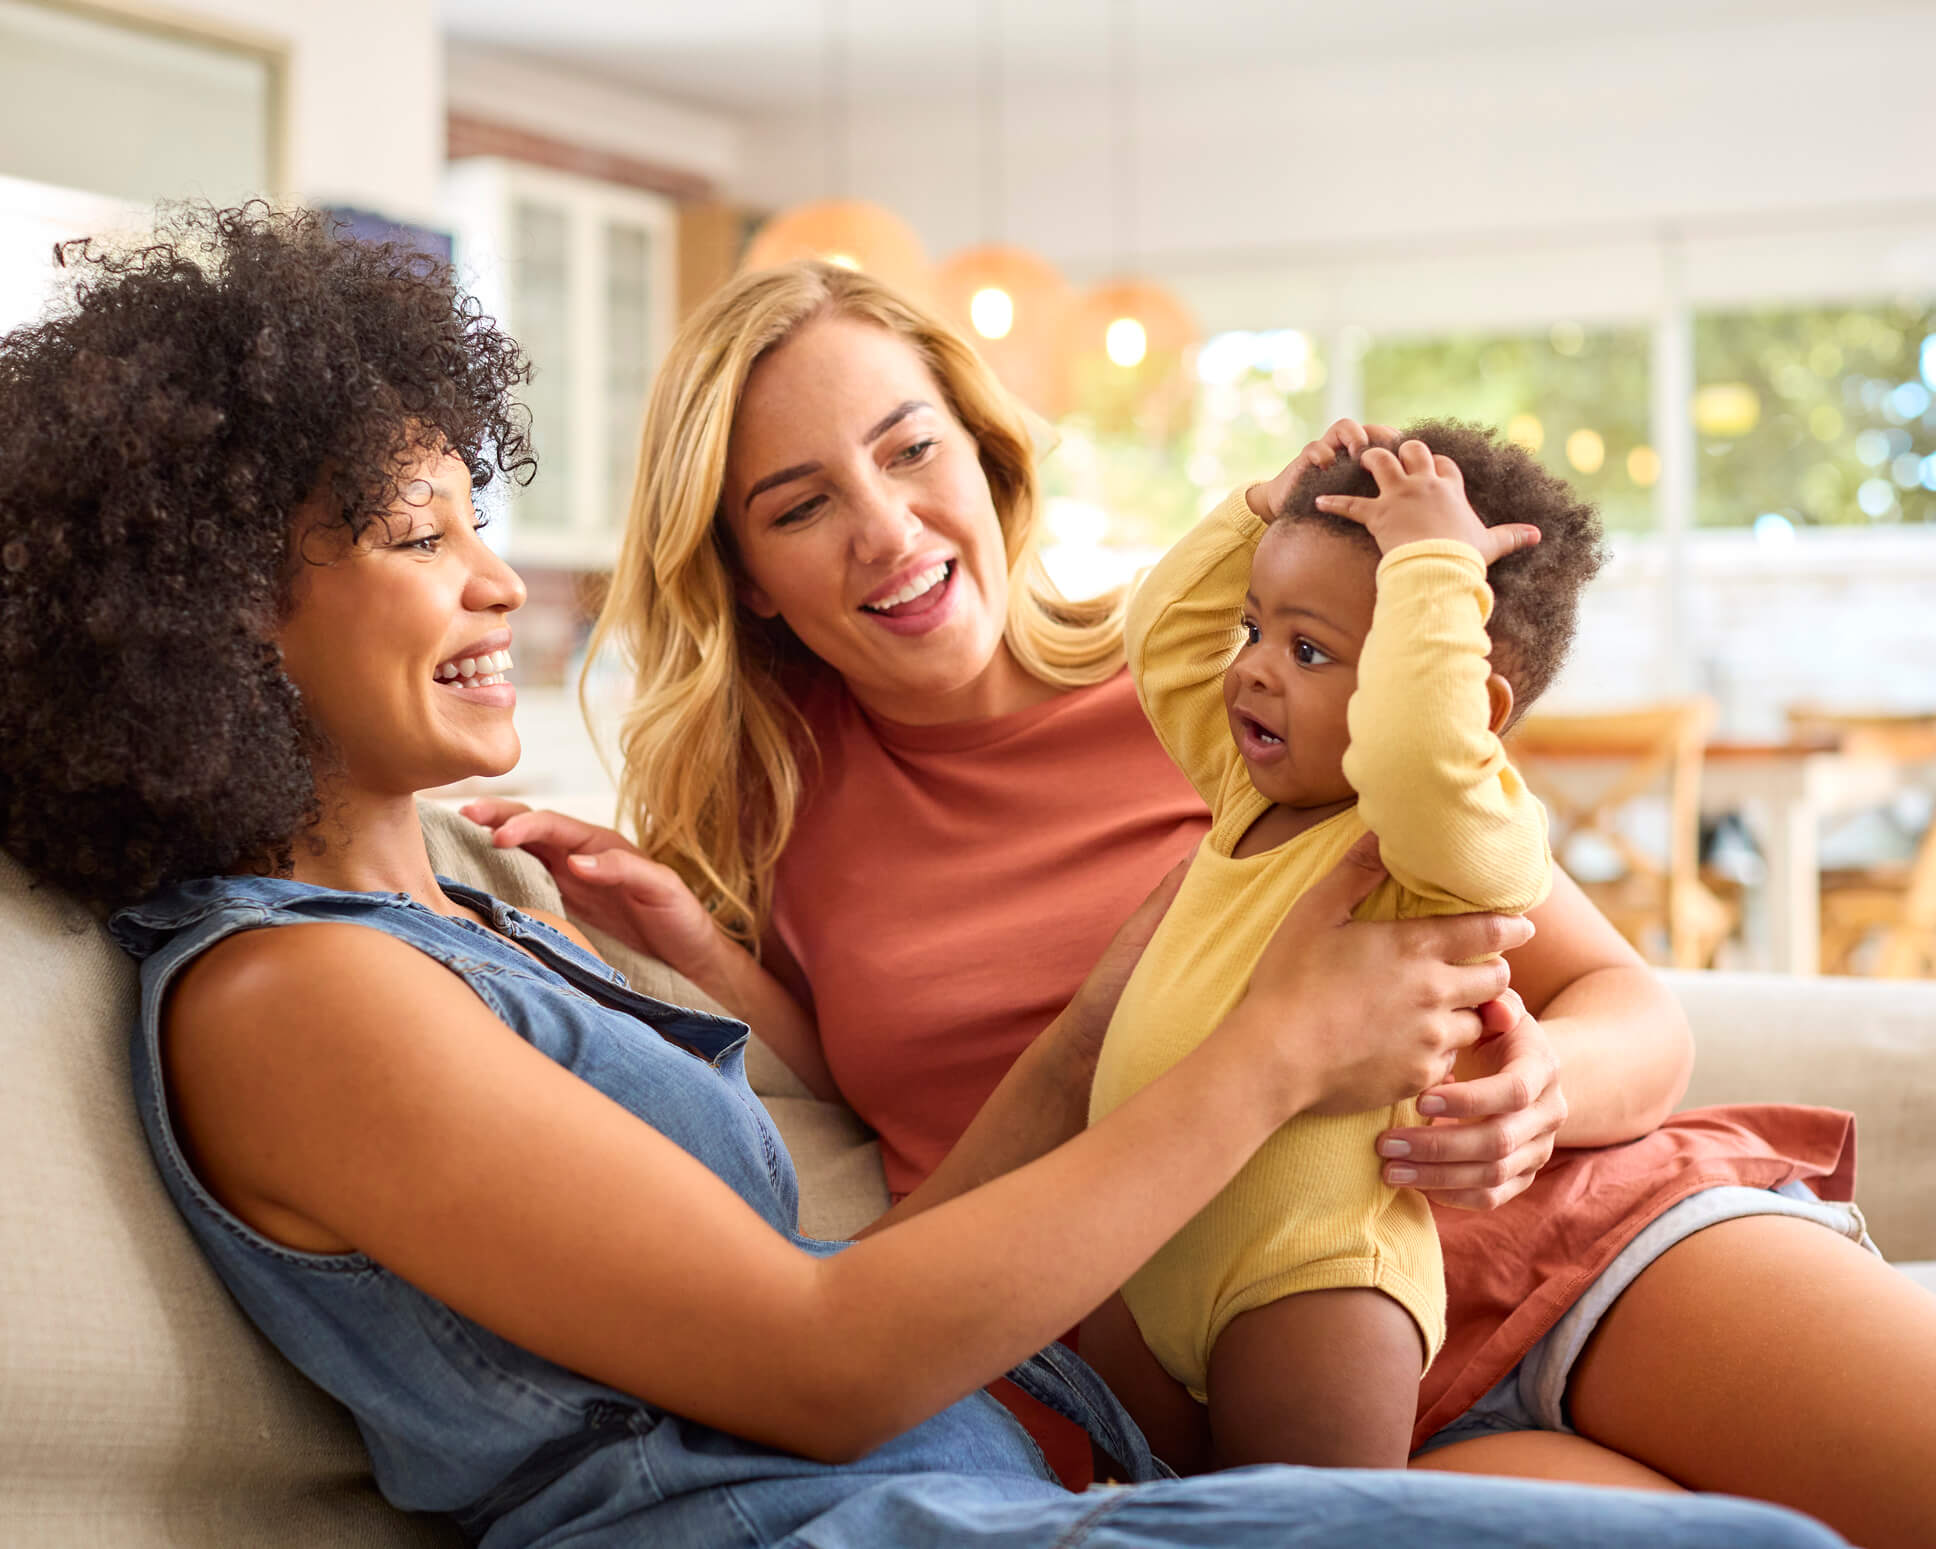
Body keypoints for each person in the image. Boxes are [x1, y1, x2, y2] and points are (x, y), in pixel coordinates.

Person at [0, 202, 1848, 1549]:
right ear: (210, 616)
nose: (498, 581)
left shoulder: (462, 924)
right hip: (955, 1474)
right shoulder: (298, 991)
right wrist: (1269, 1046)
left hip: (1213, 1368)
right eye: (424, 539)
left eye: (476, 523)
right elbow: (820, 1358)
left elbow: (830, 1283)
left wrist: (1114, 1018)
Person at [469, 259, 1936, 1548]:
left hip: (1553, 1234)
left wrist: (1543, 1089)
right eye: (801, 506)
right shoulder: (769, 817)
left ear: (985, 455)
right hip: (1255, 1378)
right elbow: (883, 1103)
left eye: (912, 449)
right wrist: (696, 948)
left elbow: (1626, 1002)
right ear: (746, 577)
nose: (888, 527)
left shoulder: (1228, 674)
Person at [1083, 423, 1596, 1471]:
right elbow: (1161, 636)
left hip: (1311, 1280)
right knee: (1153, 1525)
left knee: (1307, 1530)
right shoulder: (1250, 792)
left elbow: (1418, 749)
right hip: (1144, 1248)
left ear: (1474, 708)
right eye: (1254, 628)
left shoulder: (1438, 842)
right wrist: (1258, 512)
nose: (1252, 670)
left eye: (1308, 650)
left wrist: (1434, 567)